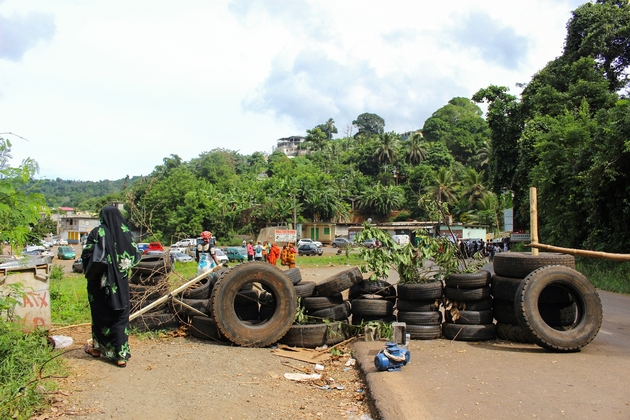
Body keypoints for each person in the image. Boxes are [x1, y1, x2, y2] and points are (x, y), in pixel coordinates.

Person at [81, 206, 141, 368]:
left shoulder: (97, 232)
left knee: (100, 316)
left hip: (99, 285)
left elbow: (86, 256)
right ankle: (120, 356)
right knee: (120, 317)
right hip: (119, 285)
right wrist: (120, 267)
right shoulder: (125, 233)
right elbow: (135, 256)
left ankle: (97, 349)